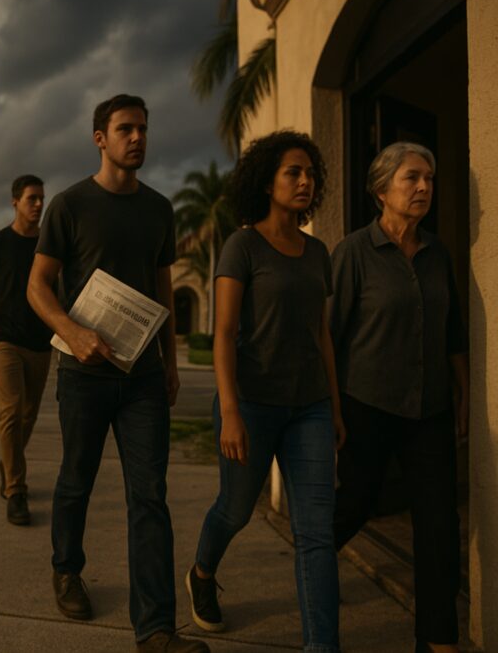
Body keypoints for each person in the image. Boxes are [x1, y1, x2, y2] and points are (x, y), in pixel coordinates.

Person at [28, 94, 208, 653]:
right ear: (99, 138)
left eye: (144, 130)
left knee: (149, 495)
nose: (138, 138)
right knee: (76, 478)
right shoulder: (69, 204)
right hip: (84, 373)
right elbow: (37, 286)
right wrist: (74, 332)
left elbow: (164, 291)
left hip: (144, 377)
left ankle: (155, 627)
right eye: (126, 129)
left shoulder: (158, 208)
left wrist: (172, 362)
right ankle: (66, 569)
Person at [185, 130, 345, 653]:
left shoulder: (318, 252)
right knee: (234, 509)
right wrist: (230, 412)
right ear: (267, 182)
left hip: (310, 410)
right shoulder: (243, 245)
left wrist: (334, 408)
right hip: (250, 404)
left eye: (309, 174)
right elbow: (225, 332)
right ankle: (202, 574)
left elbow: (321, 333)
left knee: (317, 534)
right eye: (292, 172)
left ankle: (322, 647)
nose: (305, 181)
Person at [329, 142, 468, 653]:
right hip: (366, 403)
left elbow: (452, 329)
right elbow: (331, 336)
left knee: (438, 525)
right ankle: (313, 573)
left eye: (429, 178)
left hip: (429, 408)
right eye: (412, 178)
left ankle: (438, 640)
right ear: (380, 189)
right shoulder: (353, 253)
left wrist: (463, 393)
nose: (424, 187)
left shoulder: (437, 254)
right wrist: (331, 410)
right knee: (354, 505)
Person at [0, 174, 53, 525]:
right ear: (15, 201)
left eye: (41, 199)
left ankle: (8, 463)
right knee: (10, 411)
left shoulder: (49, 246)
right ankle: (16, 490)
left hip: (41, 343)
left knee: (27, 416)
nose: (38, 204)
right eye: (32, 198)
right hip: (5, 341)